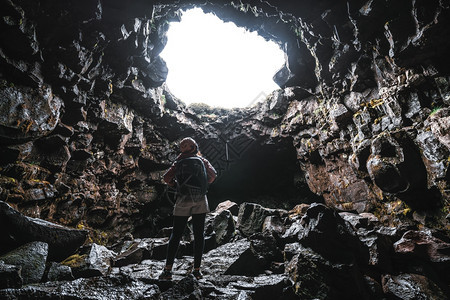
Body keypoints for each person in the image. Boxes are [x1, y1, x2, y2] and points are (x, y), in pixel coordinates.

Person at [159, 137, 217, 280]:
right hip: (200, 199)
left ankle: (167, 271)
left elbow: (166, 178)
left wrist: (176, 185)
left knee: (176, 234)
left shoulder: (178, 162)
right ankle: (197, 271)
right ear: (194, 147)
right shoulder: (202, 160)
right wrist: (204, 185)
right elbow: (213, 175)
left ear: (185, 149)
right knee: (199, 234)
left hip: (182, 199)